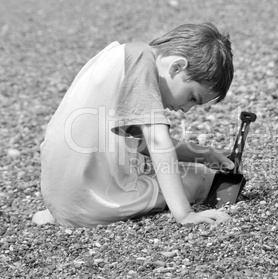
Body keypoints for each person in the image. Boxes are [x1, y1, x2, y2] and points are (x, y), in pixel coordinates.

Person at [32, 22, 235, 227]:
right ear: (177, 66)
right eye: (192, 97)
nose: (187, 109)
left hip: (62, 200)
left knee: (156, 166)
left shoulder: (119, 59)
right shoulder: (143, 62)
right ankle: (88, 213)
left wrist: (205, 154)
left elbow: (141, 143)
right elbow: (156, 141)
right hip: (96, 204)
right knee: (200, 178)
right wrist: (184, 214)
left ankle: (64, 214)